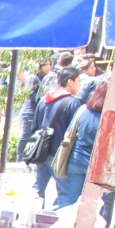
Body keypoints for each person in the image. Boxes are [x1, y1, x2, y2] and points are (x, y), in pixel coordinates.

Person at [34, 66, 82, 205]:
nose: (80, 86)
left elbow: (35, 126)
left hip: (40, 151)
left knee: (38, 190)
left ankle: (31, 217)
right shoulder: (72, 102)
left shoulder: (45, 99)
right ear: (70, 82)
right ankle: (55, 222)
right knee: (65, 193)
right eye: (78, 81)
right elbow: (74, 131)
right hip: (59, 154)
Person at [57, 80, 108, 208]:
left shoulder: (83, 110)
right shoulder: (108, 117)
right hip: (96, 167)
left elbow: (69, 132)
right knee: (94, 206)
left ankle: (67, 226)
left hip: (76, 161)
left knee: (72, 201)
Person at [16, 56, 52, 162]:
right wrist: (42, 99)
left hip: (37, 111)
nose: (49, 67)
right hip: (30, 111)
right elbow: (30, 94)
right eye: (46, 65)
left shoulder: (44, 78)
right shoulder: (33, 78)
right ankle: (19, 158)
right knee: (26, 135)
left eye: (50, 64)